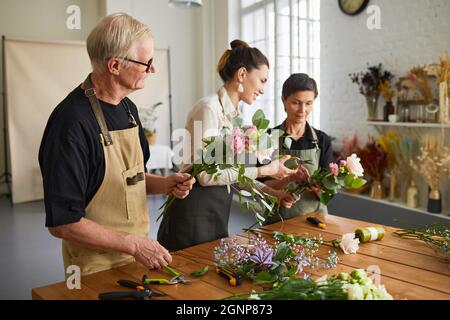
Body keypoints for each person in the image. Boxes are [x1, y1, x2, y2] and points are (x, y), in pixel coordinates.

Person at [38, 13, 195, 276]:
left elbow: (130, 179)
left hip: (138, 255)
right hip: (94, 267)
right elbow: (63, 223)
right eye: (147, 62)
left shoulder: (128, 108)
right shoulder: (71, 124)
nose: (152, 69)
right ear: (114, 66)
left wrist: (164, 184)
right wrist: (133, 245)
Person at [157, 40, 298, 251]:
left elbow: (235, 174)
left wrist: (272, 192)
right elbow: (205, 175)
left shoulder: (235, 116)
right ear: (242, 75)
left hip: (216, 212)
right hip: (193, 211)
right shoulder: (208, 109)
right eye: (262, 80)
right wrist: (263, 170)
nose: (262, 89)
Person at [262, 73, 333, 224]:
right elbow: (261, 186)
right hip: (277, 222)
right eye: (296, 103)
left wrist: (316, 187)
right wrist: (289, 179)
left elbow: (328, 194)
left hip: (315, 221)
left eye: (308, 103)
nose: (302, 110)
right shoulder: (268, 138)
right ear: (284, 100)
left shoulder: (322, 140)